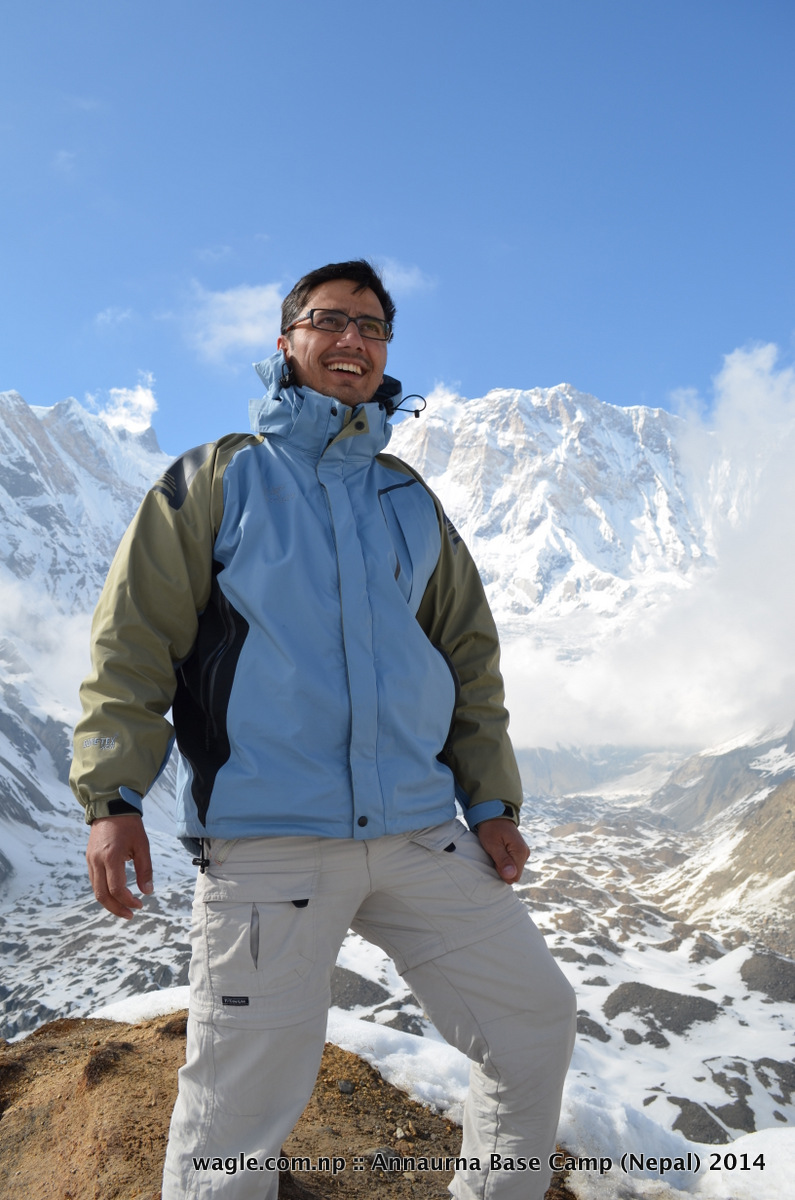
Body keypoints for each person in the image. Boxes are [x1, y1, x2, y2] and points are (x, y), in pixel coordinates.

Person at [71, 259, 576, 1200]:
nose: (354, 340)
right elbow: (132, 648)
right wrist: (113, 795)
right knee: (237, 1108)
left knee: (534, 1020)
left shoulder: (408, 499)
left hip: (422, 831)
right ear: (285, 339)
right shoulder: (213, 480)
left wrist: (492, 799)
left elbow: (468, 661)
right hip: (270, 844)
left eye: (373, 328)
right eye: (331, 320)